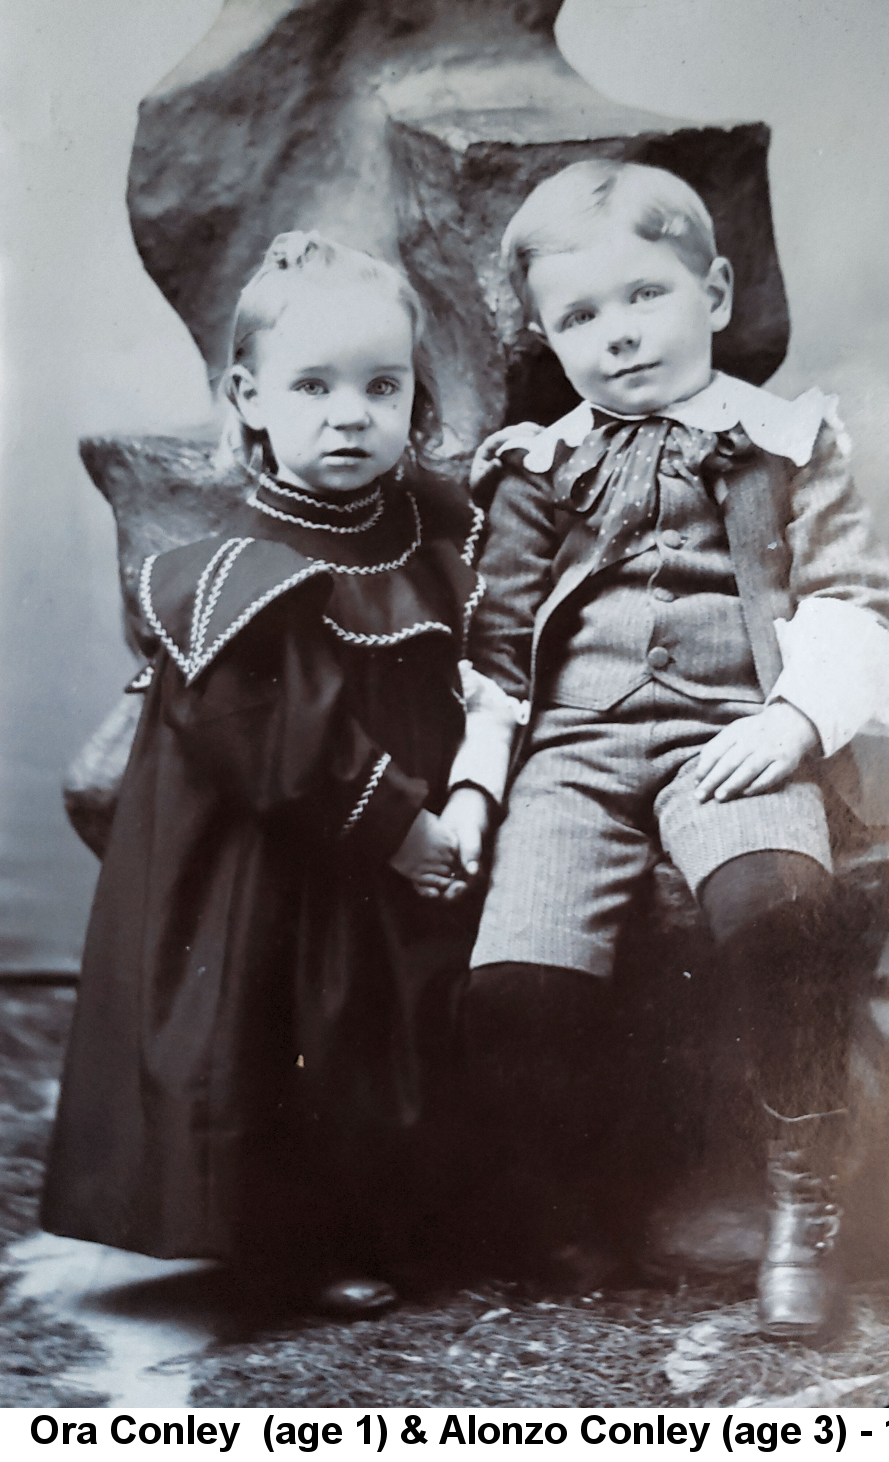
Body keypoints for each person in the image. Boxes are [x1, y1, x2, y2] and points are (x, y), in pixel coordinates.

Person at [451, 160, 889, 1336]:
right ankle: (576, 1207)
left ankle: (798, 1204)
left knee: (779, 916)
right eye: (578, 318)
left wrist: (791, 722)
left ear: (710, 291)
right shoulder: (534, 465)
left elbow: (856, 596)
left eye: (641, 296)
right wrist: (473, 786)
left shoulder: (785, 441)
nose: (614, 338)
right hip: (577, 751)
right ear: (549, 339)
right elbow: (497, 648)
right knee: (519, 984)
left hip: (731, 734)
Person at [41, 232, 511, 1314]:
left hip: (417, 834)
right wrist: (400, 827)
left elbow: (484, 668)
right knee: (298, 1025)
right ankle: (294, 1244)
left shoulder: (434, 529)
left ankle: (400, 1221)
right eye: (313, 386)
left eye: (379, 387)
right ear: (249, 397)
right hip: (283, 854)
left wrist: (462, 803)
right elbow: (274, 741)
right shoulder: (235, 576)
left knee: (393, 1025)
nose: (349, 414)